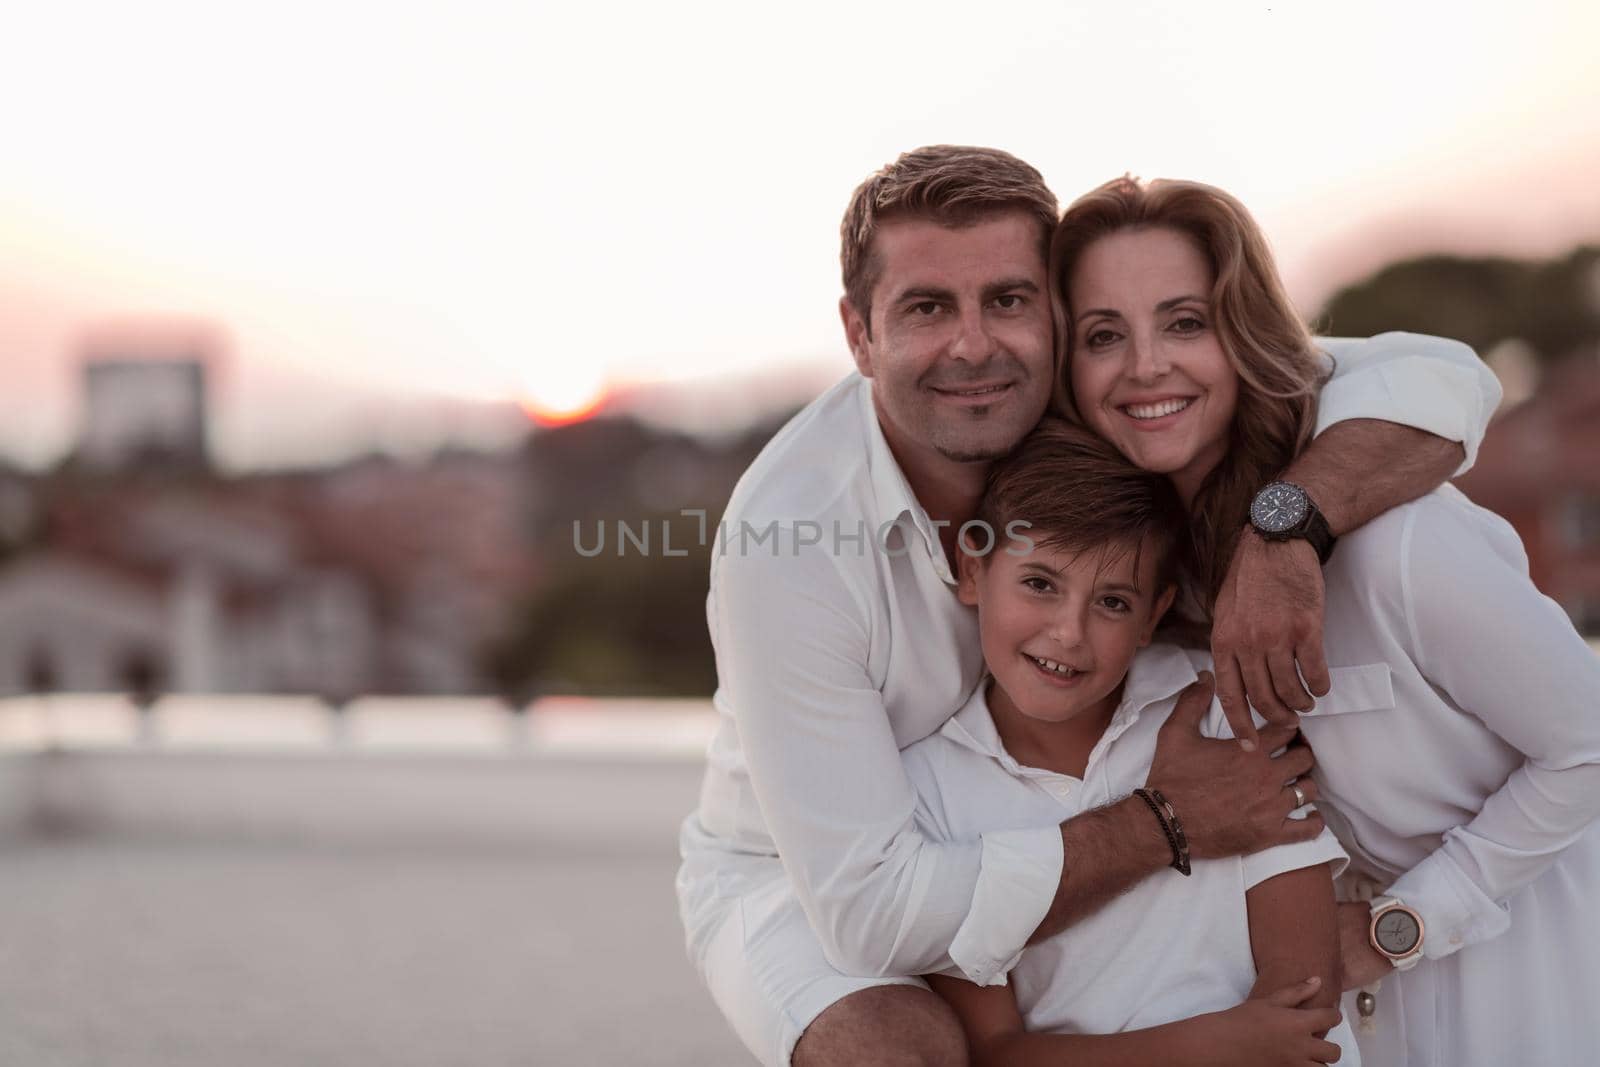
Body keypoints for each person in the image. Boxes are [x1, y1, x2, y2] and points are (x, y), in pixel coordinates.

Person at [676, 145, 1502, 1067]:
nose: (974, 345)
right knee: (895, 1053)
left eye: (1010, 299)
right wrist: (1167, 822)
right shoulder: (787, 540)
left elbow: (1442, 379)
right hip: (811, 872)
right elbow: (873, 915)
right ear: (859, 335)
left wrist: (1286, 532)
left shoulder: (1098, 395)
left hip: (1064, 793)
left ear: (1058, 315)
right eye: (926, 307)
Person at [1052, 173, 1600, 1066]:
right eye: (1103, 335)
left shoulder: (1399, 544)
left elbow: (1590, 742)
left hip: (1537, 984)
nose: (1145, 363)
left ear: (1243, 335)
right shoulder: (1139, 593)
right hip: (1348, 1026)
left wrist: (1403, 926)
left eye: (1185, 322)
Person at [906, 418, 1356, 1066]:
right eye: (1040, 583)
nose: (1068, 633)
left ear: (1153, 614)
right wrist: (1216, 1044)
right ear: (973, 573)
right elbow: (995, 1054)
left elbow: (1304, 999)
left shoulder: (1221, 713)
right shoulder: (928, 788)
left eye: (1112, 602)